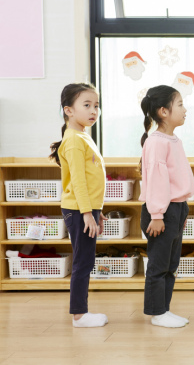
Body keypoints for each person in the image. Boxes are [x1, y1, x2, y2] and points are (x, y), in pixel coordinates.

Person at [49, 83, 109, 328]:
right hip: (78, 209)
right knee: (83, 261)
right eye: (86, 105)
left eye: (96, 105)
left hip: (85, 208)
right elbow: (79, 181)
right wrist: (87, 212)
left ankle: (81, 313)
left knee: (86, 259)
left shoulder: (82, 136)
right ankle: (79, 315)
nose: (94, 110)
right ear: (68, 110)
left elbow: (91, 180)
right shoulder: (73, 140)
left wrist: (97, 211)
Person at [138, 85, 194, 328]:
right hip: (162, 212)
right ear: (163, 111)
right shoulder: (157, 142)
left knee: (171, 266)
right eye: (180, 104)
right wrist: (158, 214)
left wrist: (182, 209)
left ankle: (164, 310)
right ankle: (156, 312)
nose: (185, 109)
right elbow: (157, 182)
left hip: (175, 209)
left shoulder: (172, 139)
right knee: (159, 266)